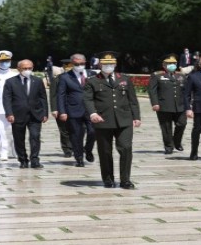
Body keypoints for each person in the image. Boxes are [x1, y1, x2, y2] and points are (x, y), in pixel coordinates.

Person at [83, 51, 141, 189]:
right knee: (105, 151)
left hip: (124, 120)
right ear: (100, 64)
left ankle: (125, 179)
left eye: (111, 63)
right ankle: (108, 178)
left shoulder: (124, 79)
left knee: (126, 148)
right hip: (103, 120)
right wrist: (93, 114)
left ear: (115, 64)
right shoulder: (92, 81)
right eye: (105, 63)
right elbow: (87, 99)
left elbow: (132, 100)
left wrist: (136, 117)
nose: (108, 66)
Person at [2, 59, 49, 169]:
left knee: (35, 136)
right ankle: (23, 159)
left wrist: (45, 113)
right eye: (25, 68)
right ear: (19, 69)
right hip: (17, 114)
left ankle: (35, 160)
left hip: (35, 114)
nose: (27, 70)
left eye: (30, 68)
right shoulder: (10, 82)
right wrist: (9, 113)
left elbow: (43, 98)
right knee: (19, 138)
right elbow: (6, 99)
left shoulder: (37, 81)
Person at [57, 54, 96, 167]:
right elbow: (61, 95)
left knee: (93, 132)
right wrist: (62, 111)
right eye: (76, 64)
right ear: (72, 64)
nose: (79, 66)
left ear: (85, 62)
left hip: (91, 109)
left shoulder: (92, 75)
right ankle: (79, 157)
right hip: (73, 109)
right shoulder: (65, 77)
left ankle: (88, 149)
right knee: (76, 135)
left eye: (81, 63)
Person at [148, 54, 187, 154]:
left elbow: (186, 91)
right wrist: (155, 103)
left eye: (173, 63)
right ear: (164, 65)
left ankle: (177, 142)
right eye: (169, 63)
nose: (171, 65)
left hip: (180, 105)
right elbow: (152, 90)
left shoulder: (181, 76)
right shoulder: (157, 75)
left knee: (182, 124)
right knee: (166, 127)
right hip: (164, 105)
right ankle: (169, 146)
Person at [50, 59, 74, 159]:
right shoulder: (57, 79)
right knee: (64, 130)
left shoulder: (79, 78)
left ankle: (76, 146)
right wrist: (54, 108)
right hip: (61, 108)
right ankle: (67, 149)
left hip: (75, 107)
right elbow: (53, 95)